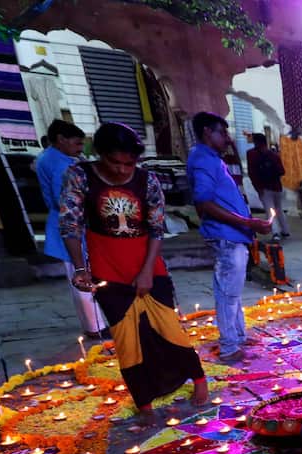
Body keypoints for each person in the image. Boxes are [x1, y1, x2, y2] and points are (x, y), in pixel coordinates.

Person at [61, 123, 209, 417]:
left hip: (148, 264)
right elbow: (70, 225)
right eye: (114, 162)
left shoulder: (147, 181)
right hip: (108, 268)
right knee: (127, 339)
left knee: (170, 329)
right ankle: (144, 401)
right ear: (100, 155)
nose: (121, 170)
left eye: (129, 163)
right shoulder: (80, 177)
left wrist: (145, 272)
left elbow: (156, 229)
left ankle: (199, 380)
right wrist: (80, 268)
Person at [188, 112, 273, 364]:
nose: (227, 138)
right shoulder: (203, 160)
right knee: (227, 292)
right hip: (226, 236)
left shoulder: (212, 158)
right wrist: (248, 222)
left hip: (234, 235)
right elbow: (204, 202)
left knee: (232, 291)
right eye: (222, 133)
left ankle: (237, 335)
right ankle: (229, 347)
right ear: (206, 132)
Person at [36, 119, 107, 337]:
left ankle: (93, 323)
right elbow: (65, 200)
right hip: (71, 227)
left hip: (66, 224)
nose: (79, 149)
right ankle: (96, 327)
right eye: (76, 144)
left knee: (79, 274)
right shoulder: (62, 165)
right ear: (61, 140)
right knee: (82, 274)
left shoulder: (49, 157)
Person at [246, 132, 289, 239]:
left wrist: (258, 187)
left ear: (256, 142)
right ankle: (285, 230)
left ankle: (275, 233)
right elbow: (282, 171)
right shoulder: (274, 155)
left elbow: (252, 173)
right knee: (278, 209)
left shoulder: (251, 154)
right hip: (277, 186)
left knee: (270, 210)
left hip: (264, 187)